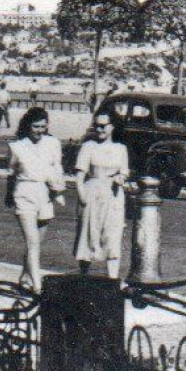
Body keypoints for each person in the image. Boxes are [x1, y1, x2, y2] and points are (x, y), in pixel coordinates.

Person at [6, 106, 65, 290]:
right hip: (24, 193)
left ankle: (25, 276)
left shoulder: (53, 143)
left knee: (36, 243)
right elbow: (11, 173)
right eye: (35, 127)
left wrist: (58, 192)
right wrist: (8, 194)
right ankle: (37, 287)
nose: (39, 131)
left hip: (45, 194)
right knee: (32, 242)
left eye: (43, 127)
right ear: (27, 126)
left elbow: (57, 168)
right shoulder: (16, 147)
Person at [74, 112, 129, 279]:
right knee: (88, 234)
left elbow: (124, 172)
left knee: (112, 235)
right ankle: (83, 276)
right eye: (97, 125)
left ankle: (113, 281)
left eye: (103, 126)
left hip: (113, 196)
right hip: (92, 194)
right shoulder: (89, 146)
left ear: (112, 127)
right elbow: (79, 177)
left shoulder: (121, 149)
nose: (100, 129)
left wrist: (121, 177)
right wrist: (82, 196)